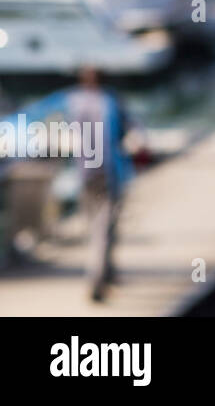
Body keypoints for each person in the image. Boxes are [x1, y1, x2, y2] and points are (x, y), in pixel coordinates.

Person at [63, 65, 133, 302]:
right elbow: (126, 132)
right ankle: (98, 280)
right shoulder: (111, 101)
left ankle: (107, 274)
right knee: (104, 230)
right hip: (108, 172)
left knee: (95, 227)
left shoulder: (72, 101)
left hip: (84, 174)